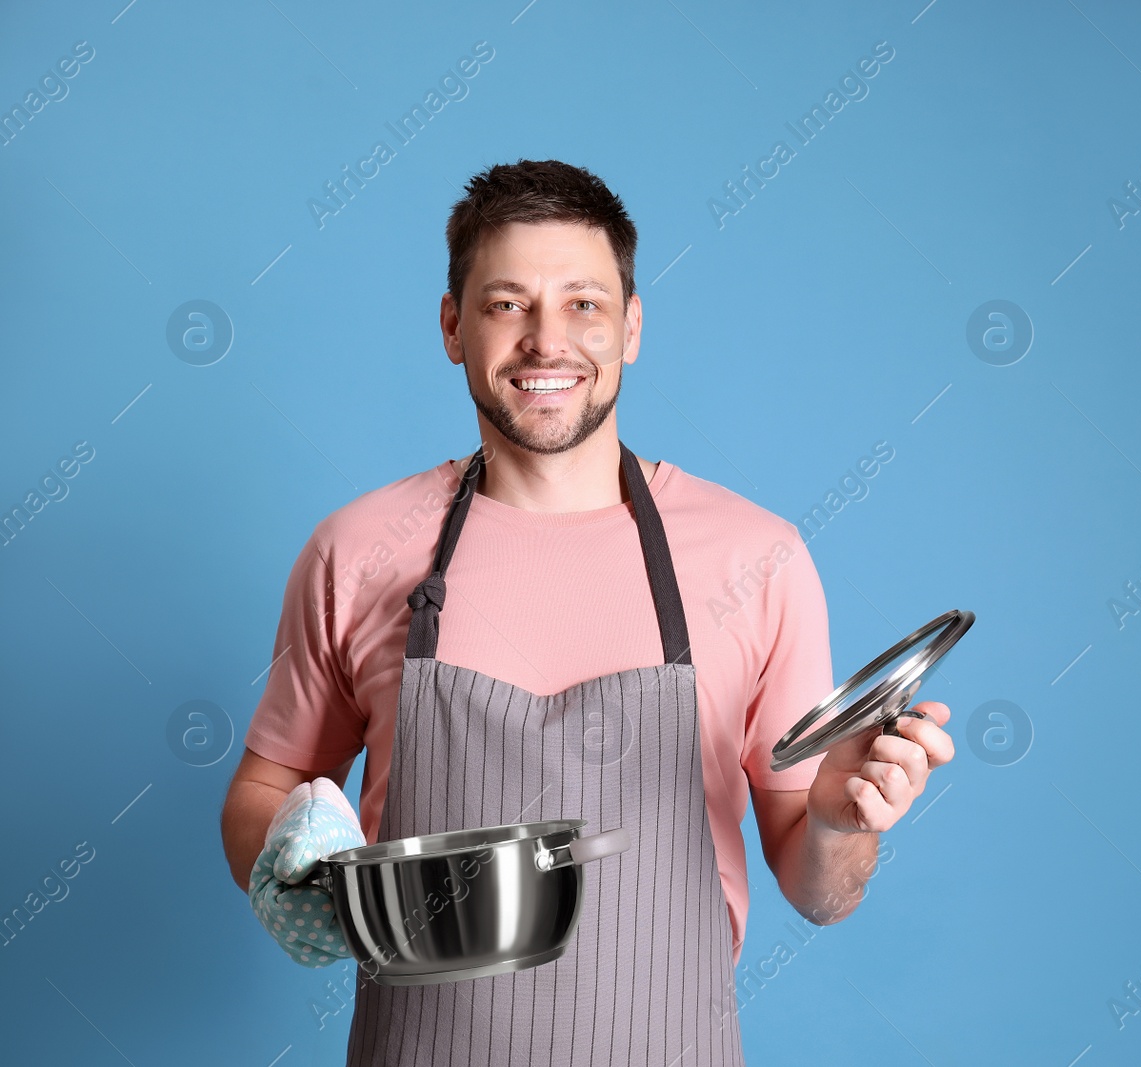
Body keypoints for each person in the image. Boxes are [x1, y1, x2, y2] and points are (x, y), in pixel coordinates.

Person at [218, 159, 955, 1066]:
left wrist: (839, 825)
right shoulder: (359, 547)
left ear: (632, 327)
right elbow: (263, 788)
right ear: (453, 326)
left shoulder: (756, 557)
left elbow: (819, 891)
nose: (545, 340)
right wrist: (301, 866)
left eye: (583, 303)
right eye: (506, 304)